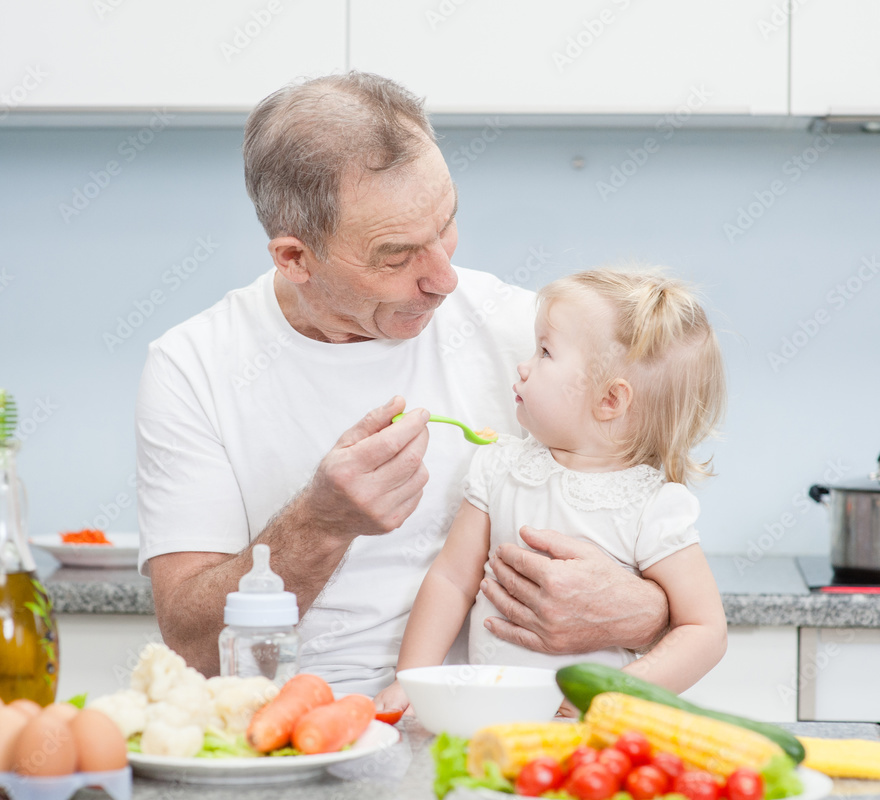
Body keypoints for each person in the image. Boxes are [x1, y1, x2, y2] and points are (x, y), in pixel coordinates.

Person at [135, 72, 671, 697]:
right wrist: (320, 523)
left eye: (446, 226)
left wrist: (647, 610)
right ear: (294, 258)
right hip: (296, 724)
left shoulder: (527, 334)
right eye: (397, 256)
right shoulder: (192, 368)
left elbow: (654, 540)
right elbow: (193, 645)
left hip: (489, 722)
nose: (444, 278)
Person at [375, 268, 729, 715]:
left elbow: (705, 630)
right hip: (485, 717)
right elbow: (450, 579)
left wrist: (610, 697)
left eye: (544, 352)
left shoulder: (654, 507)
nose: (523, 365)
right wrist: (413, 681)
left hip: (585, 736)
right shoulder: (499, 467)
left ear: (610, 401)